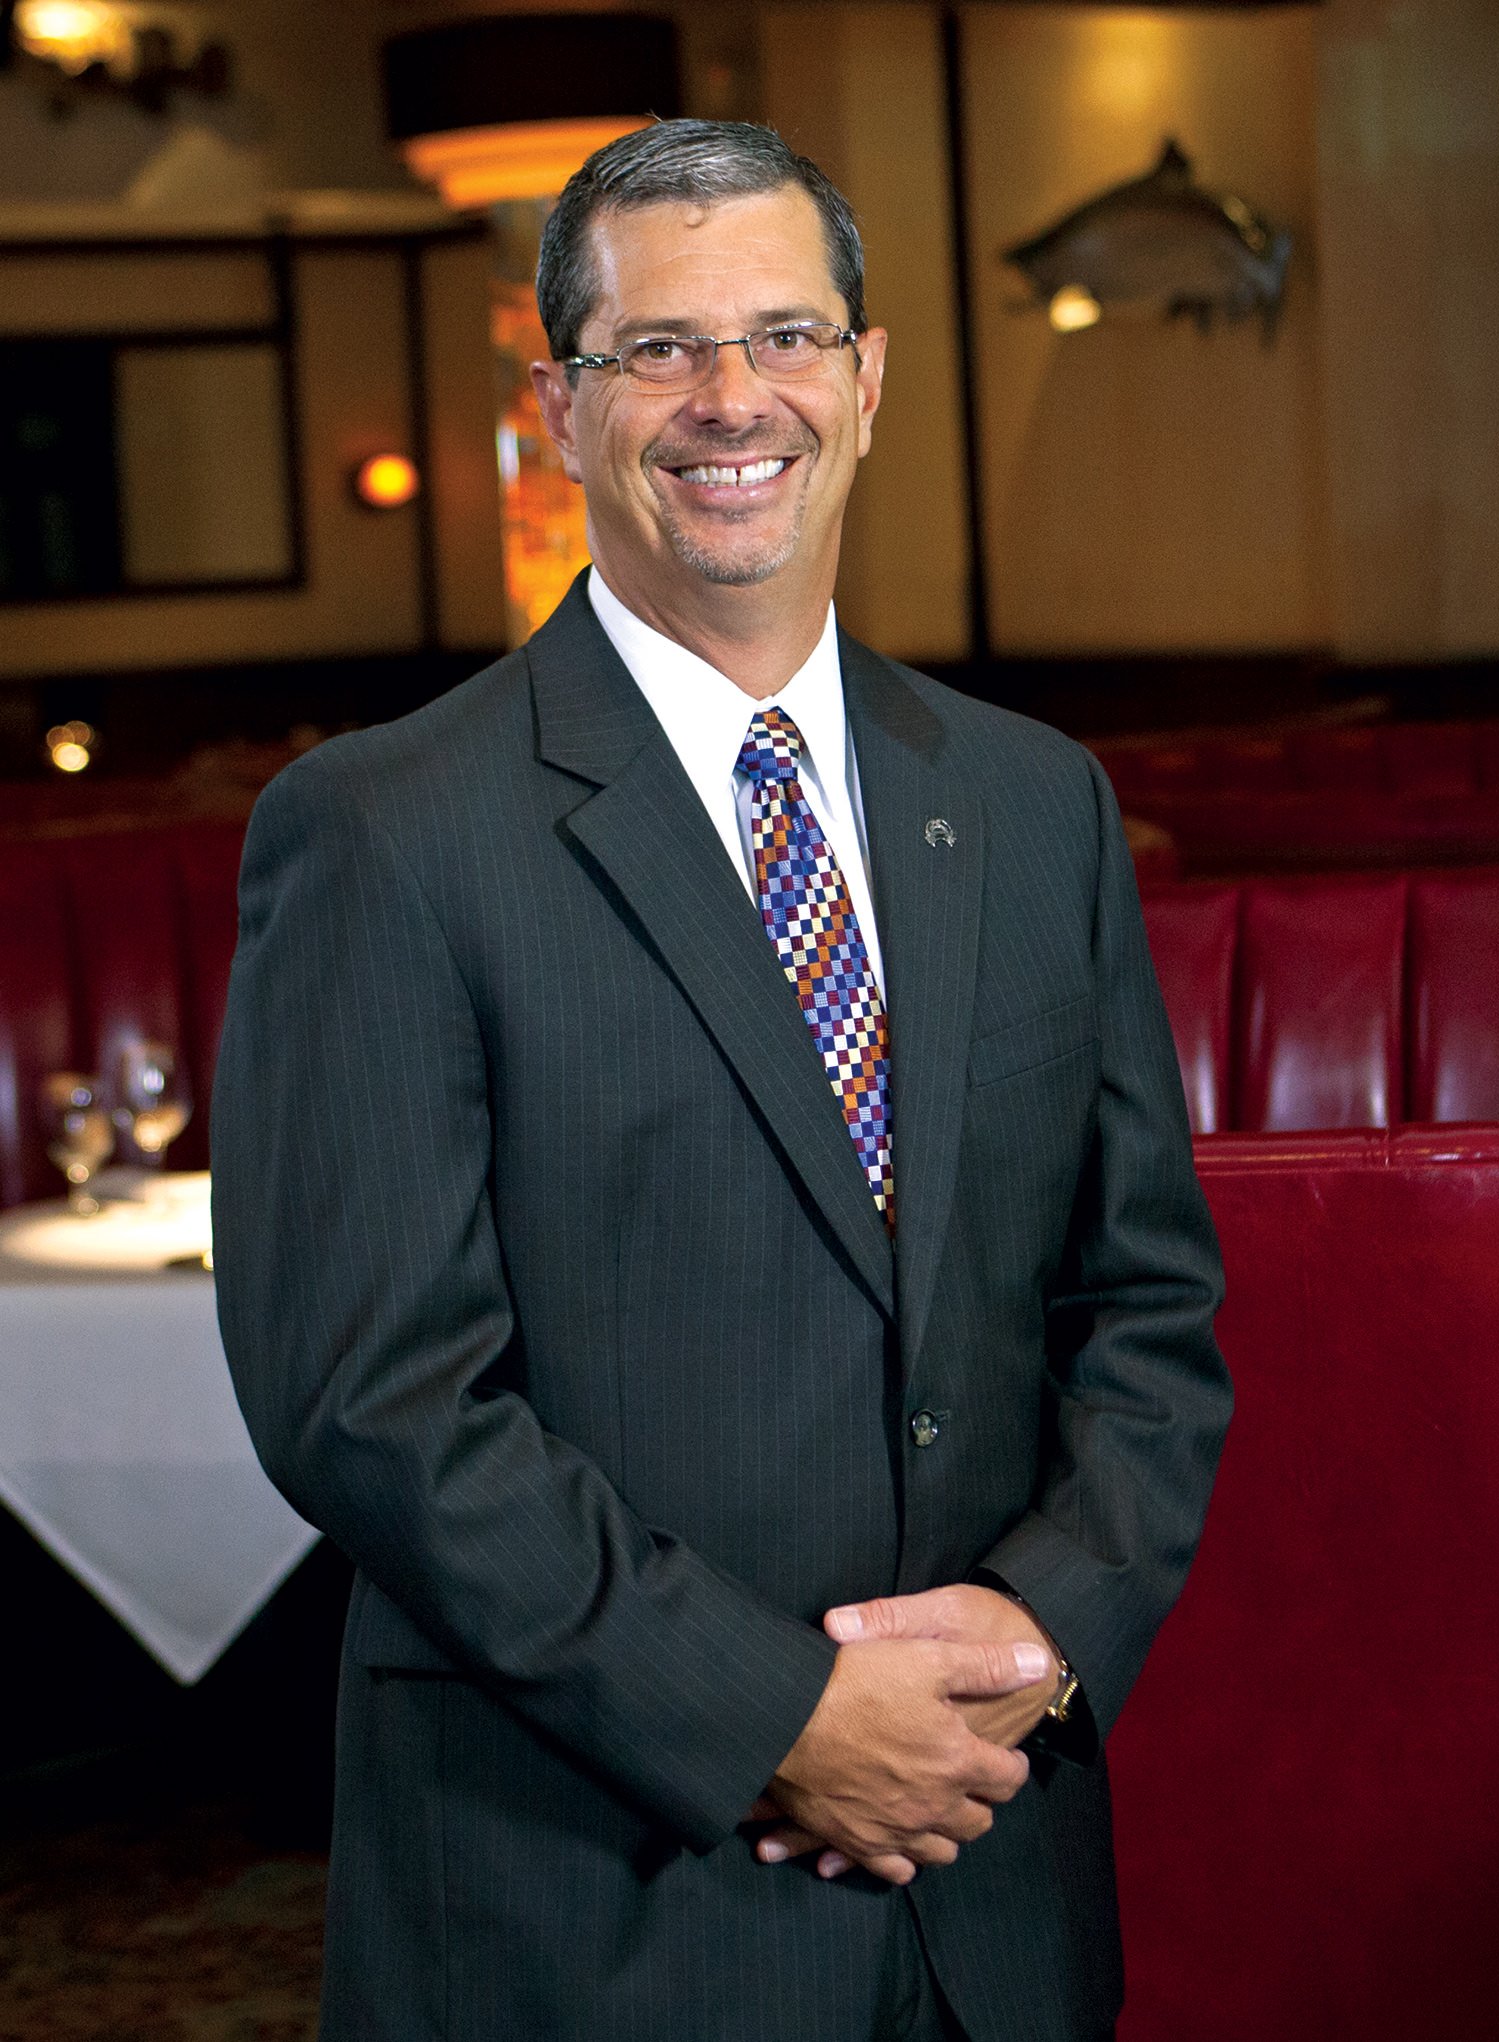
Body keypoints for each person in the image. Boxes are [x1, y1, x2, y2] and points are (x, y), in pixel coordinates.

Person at [212, 118, 1230, 2042]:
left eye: (782, 333)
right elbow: (372, 1398)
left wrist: (1041, 1628)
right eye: (657, 350)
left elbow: (1147, 1307)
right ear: (561, 409)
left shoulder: (1029, 800)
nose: (729, 397)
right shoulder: (384, 830)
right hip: (591, 1905)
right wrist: (769, 1717)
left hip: (993, 1886)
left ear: (865, 380)